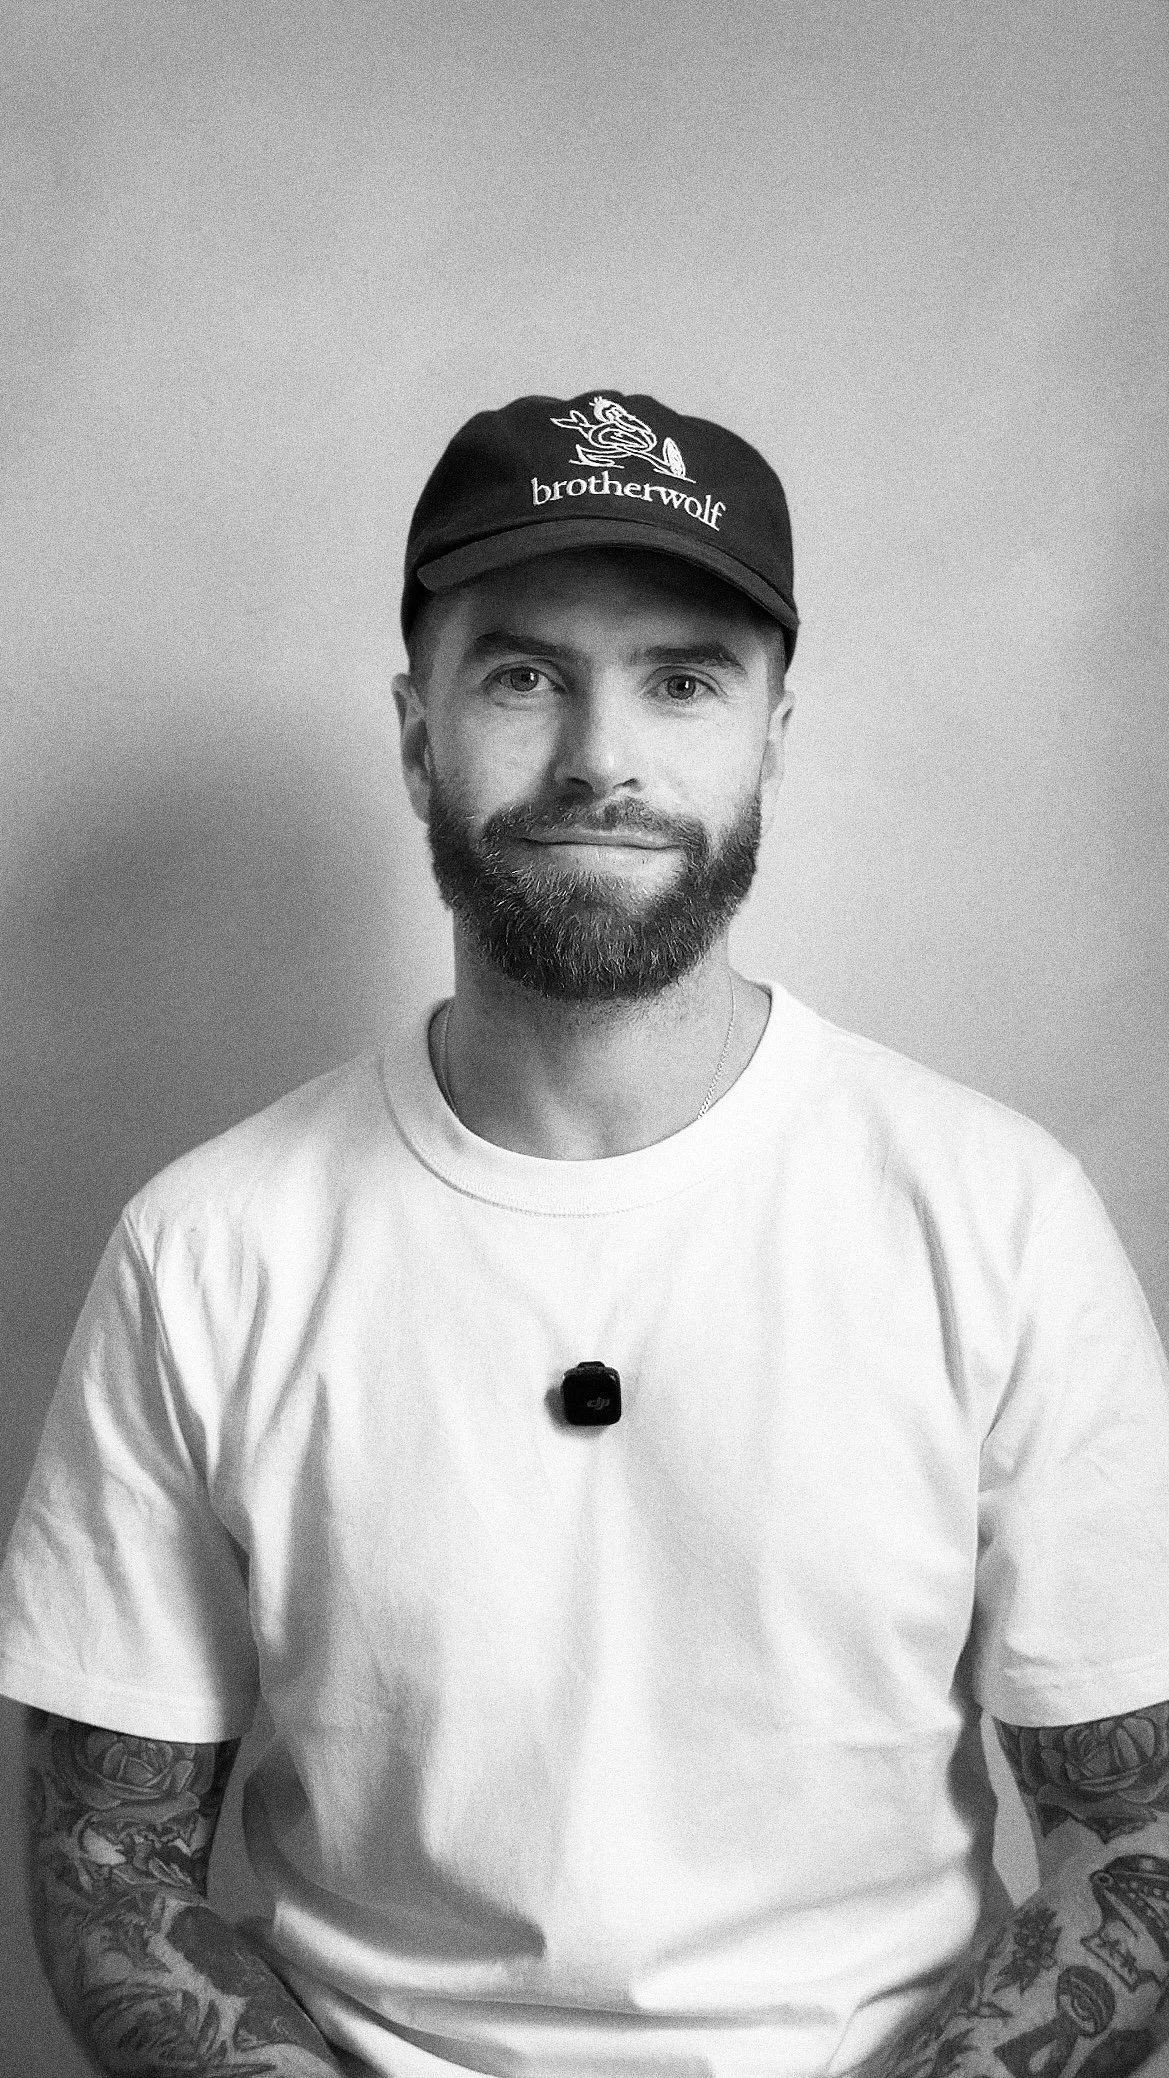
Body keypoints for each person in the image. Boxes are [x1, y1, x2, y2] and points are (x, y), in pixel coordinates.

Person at [3, 388, 1169, 2078]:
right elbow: (109, 1860)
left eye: (683, 679)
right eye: (523, 674)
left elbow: (1136, 1834)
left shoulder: (991, 1218)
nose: (601, 758)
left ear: (775, 730)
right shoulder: (210, 1248)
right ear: (417, 731)